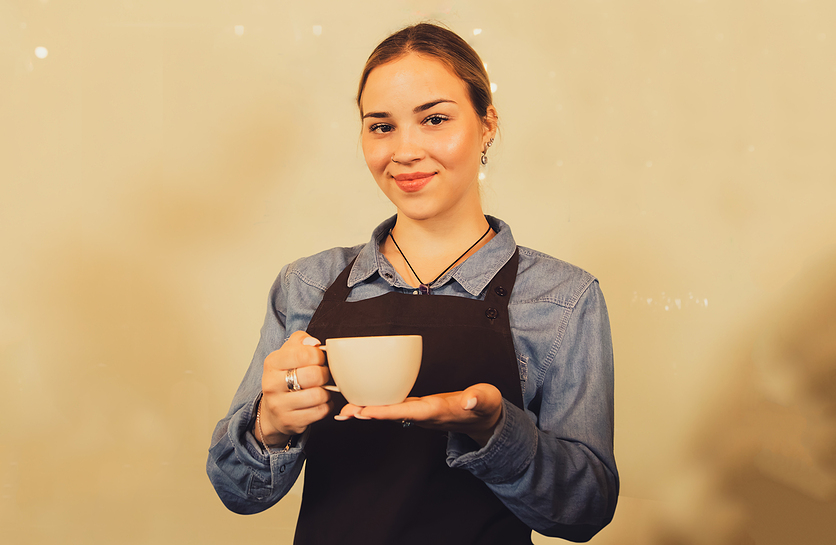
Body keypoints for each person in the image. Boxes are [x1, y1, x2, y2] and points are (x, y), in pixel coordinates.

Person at [207, 22, 618, 544]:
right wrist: (271, 424)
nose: (404, 151)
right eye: (381, 127)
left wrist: (493, 431)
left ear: (487, 124)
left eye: (435, 119)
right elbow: (236, 492)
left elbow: (587, 511)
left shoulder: (563, 299)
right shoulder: (307, 286)